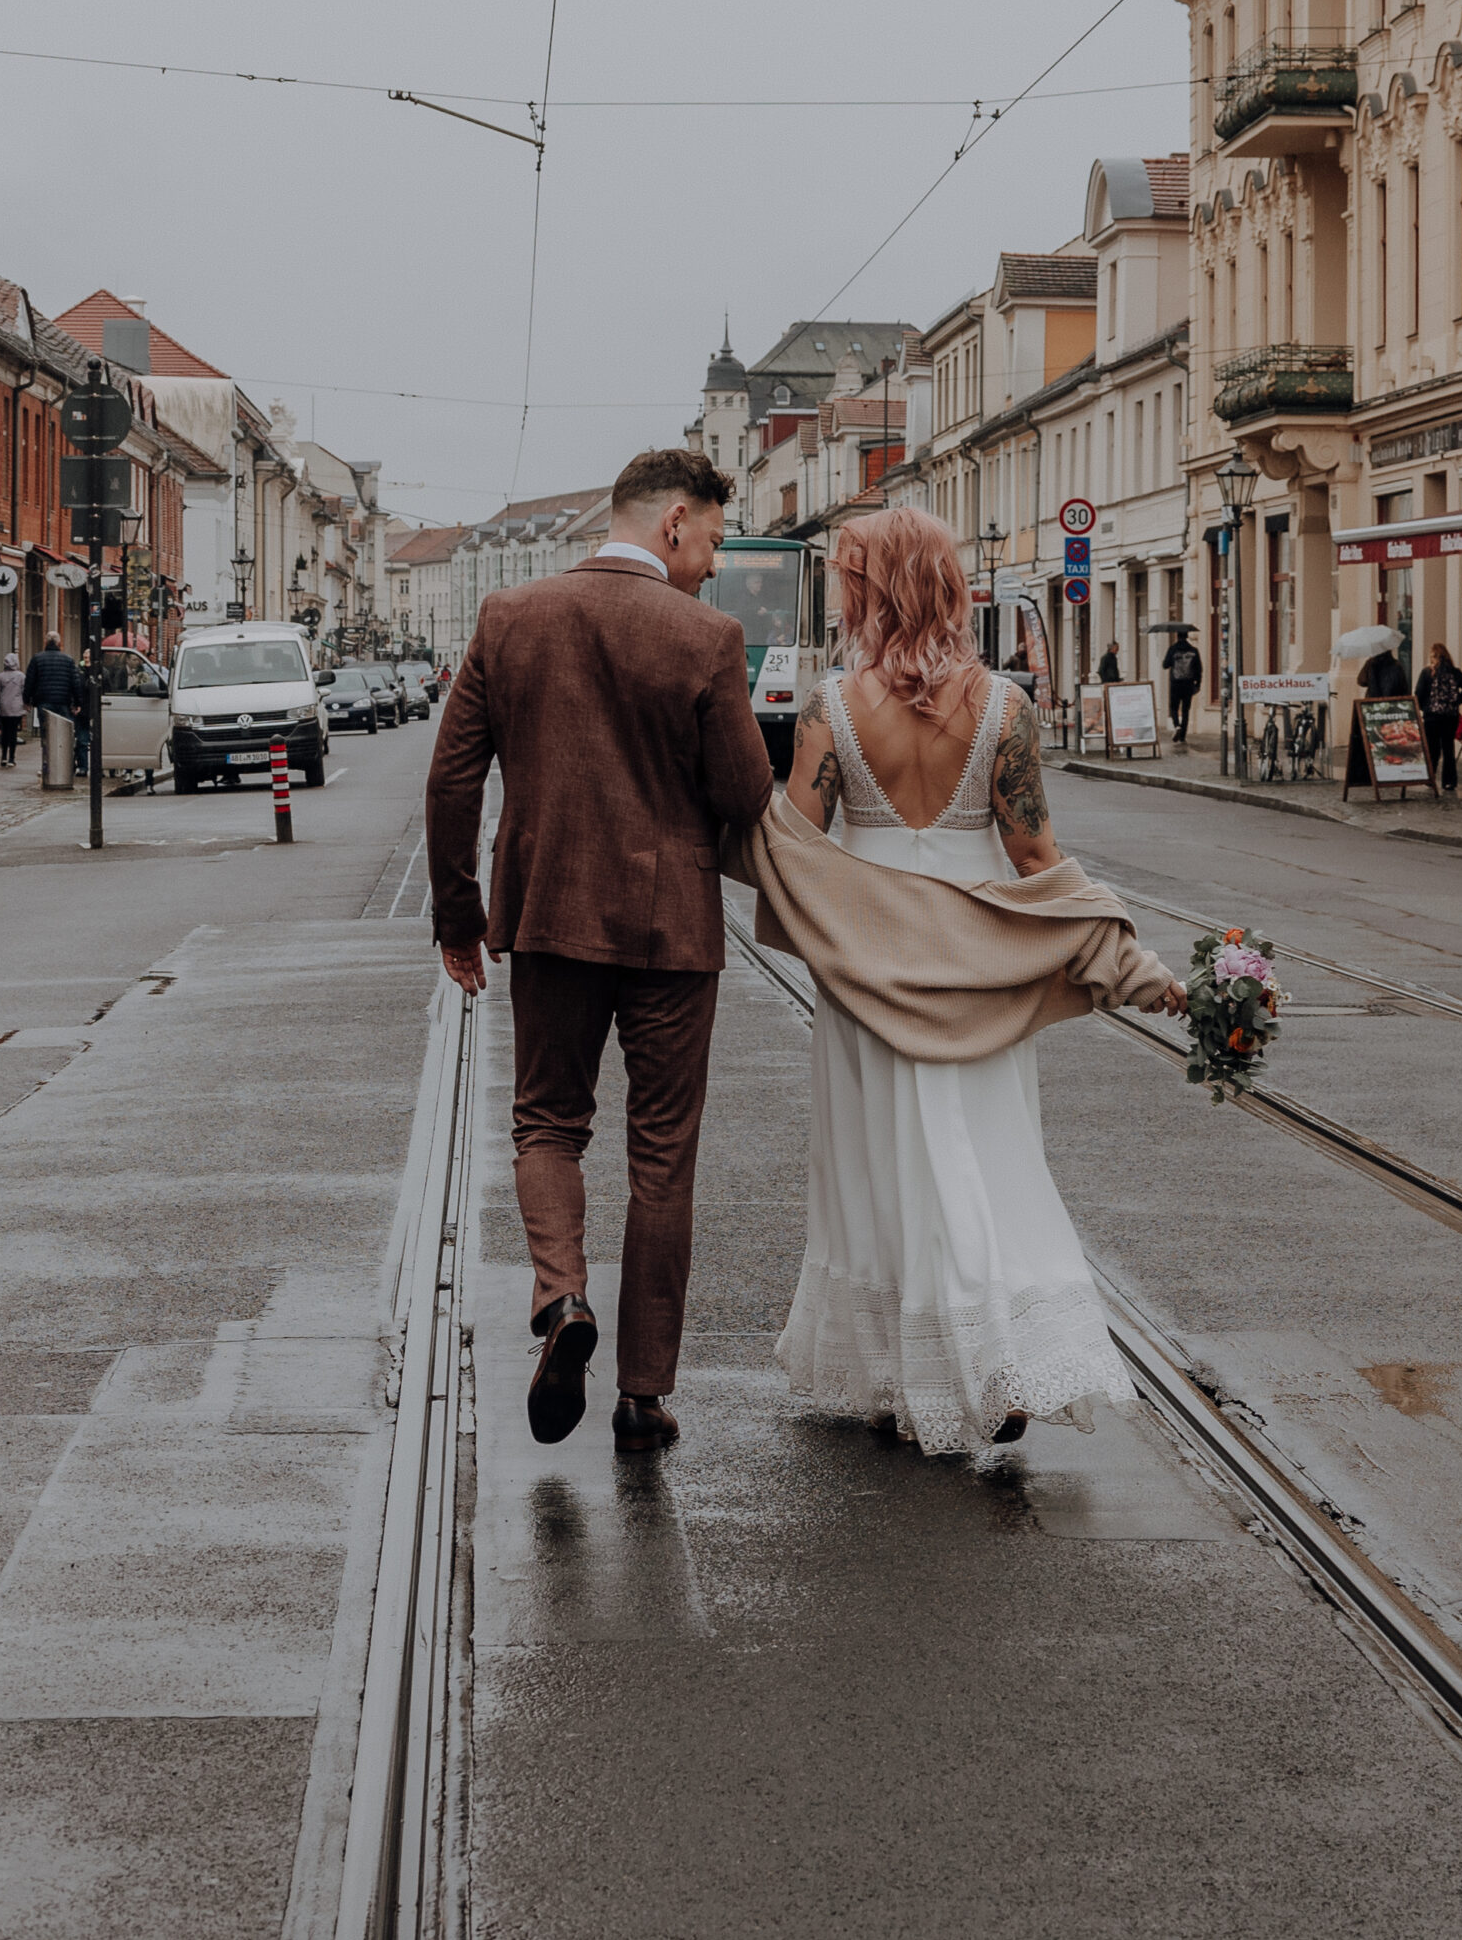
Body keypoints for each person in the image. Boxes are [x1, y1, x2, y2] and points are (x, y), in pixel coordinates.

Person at [773, 508, 1184, 1452]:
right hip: (978, 958)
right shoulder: (1004, 707)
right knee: (987, 1150)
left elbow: (794, 844)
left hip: (867, 958)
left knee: (876, 1162)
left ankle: (897, 1371)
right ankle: (992, 1361)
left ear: (871, 592)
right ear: (949, 587)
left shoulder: (831, 708)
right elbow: (1035, 853)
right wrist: (1126, 957)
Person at [426, 448, 774, 1454]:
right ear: (672, 524)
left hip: (548, 918)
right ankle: (642, 1394)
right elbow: (745, 797)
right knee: (662, 1156)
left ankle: (561, 1298)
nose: (713, 563)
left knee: (547, 1122)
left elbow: (452, 784)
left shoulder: (510, 618)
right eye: (710, 540)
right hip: (672, 930)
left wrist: (459, 919)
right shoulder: (706, 635)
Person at [23, 630, 86, 782]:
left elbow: (29, 681)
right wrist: (78, 702)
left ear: (46, 642)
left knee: (46, 735)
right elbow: (75, 683)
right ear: (59, 643)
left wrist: (27, 700)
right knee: (64, 735)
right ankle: (65, 765)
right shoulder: (68, 660)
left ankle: (47, 765)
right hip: (63, 702)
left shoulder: (37, 659)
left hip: (43, 702)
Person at [1347, 631, 1406, 789]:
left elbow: (1361, 681)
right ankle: (1391, 772)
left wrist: (1369, 666)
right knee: (1390, 742)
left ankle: (1371, 773)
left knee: (1372, 742)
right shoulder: (1396, 666)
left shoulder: (1372, 664)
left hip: (1371, 709)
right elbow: (1403, 688)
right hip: (1392, 709)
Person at [1416, 641, 1462, 792]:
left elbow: (1418, 694)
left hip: (1432, 717)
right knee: (1448, 748)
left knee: (1432, 748)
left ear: (1433, 657)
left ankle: (1430, 777)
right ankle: (1449, 781)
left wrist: (1425, 708)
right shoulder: (1454, 672)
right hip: (1450, 716)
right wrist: (1457, 701)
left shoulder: (1427, 673)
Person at [1162, 630, 1202, 746]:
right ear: (1187, 636)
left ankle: (1177, 726)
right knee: (1186, 710)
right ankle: (1183, 736)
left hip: (1175, 683)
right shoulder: (1194, 650)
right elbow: (1199, 669)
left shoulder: (1173, 649)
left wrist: (1169, 661)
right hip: (1188, 684)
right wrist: (1198, 684)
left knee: (1173, 707)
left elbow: (1165, 665)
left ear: (1177, 636)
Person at [0, 649, 29, 766]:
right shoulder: (21, 676)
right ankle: (11, 758)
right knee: (13, 732)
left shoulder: (0, 676)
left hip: (4, 707)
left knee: (4, 732)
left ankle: (3, 756)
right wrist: (26, 703)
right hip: (16, 707)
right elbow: (25, 691)